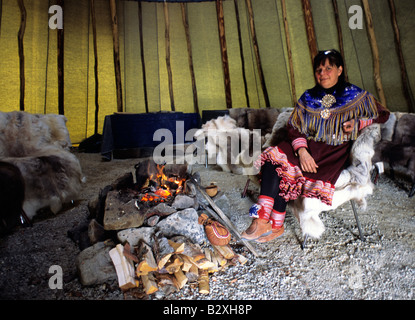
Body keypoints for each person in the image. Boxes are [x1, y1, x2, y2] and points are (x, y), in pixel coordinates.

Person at [241, 49, 390, 243]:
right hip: (307, 145)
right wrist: (302, 152)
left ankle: (274, 224)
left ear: (339, 70)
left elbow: (382, 114)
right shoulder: (309, 96)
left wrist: (358, 123)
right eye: (319, 70)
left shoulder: (355, 95)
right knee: (272, 159)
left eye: (329, 68)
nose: (323, 73)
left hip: (332, 152)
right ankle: (265, 222)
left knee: (285, 173)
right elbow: (294, 126)